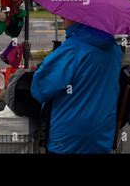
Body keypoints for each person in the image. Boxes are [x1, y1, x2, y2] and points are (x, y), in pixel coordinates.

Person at [31, 17, 122, 154]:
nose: (62, 16)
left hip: (68, 140)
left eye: (67, 14)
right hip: (102, 135)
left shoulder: (72, 49)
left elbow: (40, 89)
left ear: (79, 16)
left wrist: (45, 66)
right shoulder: (114, 48)